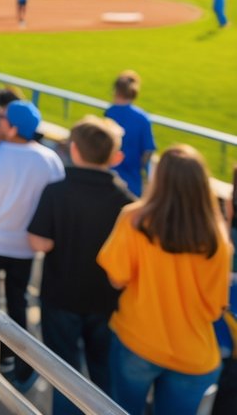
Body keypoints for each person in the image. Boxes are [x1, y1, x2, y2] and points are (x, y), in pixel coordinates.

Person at [97, 145, 231, 414]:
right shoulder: (218, 238)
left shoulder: (134, 219)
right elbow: (216, 307)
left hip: (137, 342)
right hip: (194, 355)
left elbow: (116, 278)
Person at [27, 116, 134, 415]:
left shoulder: (56, 191)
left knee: (64, 372)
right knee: (103, 368)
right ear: (116, 157)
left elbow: (40, 243)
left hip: (61, 295)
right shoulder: (126, 202)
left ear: (73, 150)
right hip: (106, 302)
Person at [0, 100, 65, 385]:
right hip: (25, 249)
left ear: (13, 126)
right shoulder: (51, 160)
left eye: (4, 118)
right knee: (18, 302)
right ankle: (22, 364)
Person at [105, 70, 155, 197]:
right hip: (133, 180)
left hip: (110, 177)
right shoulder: (143, 118)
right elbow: (148, 151)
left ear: (116, 90)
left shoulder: (110, 113)